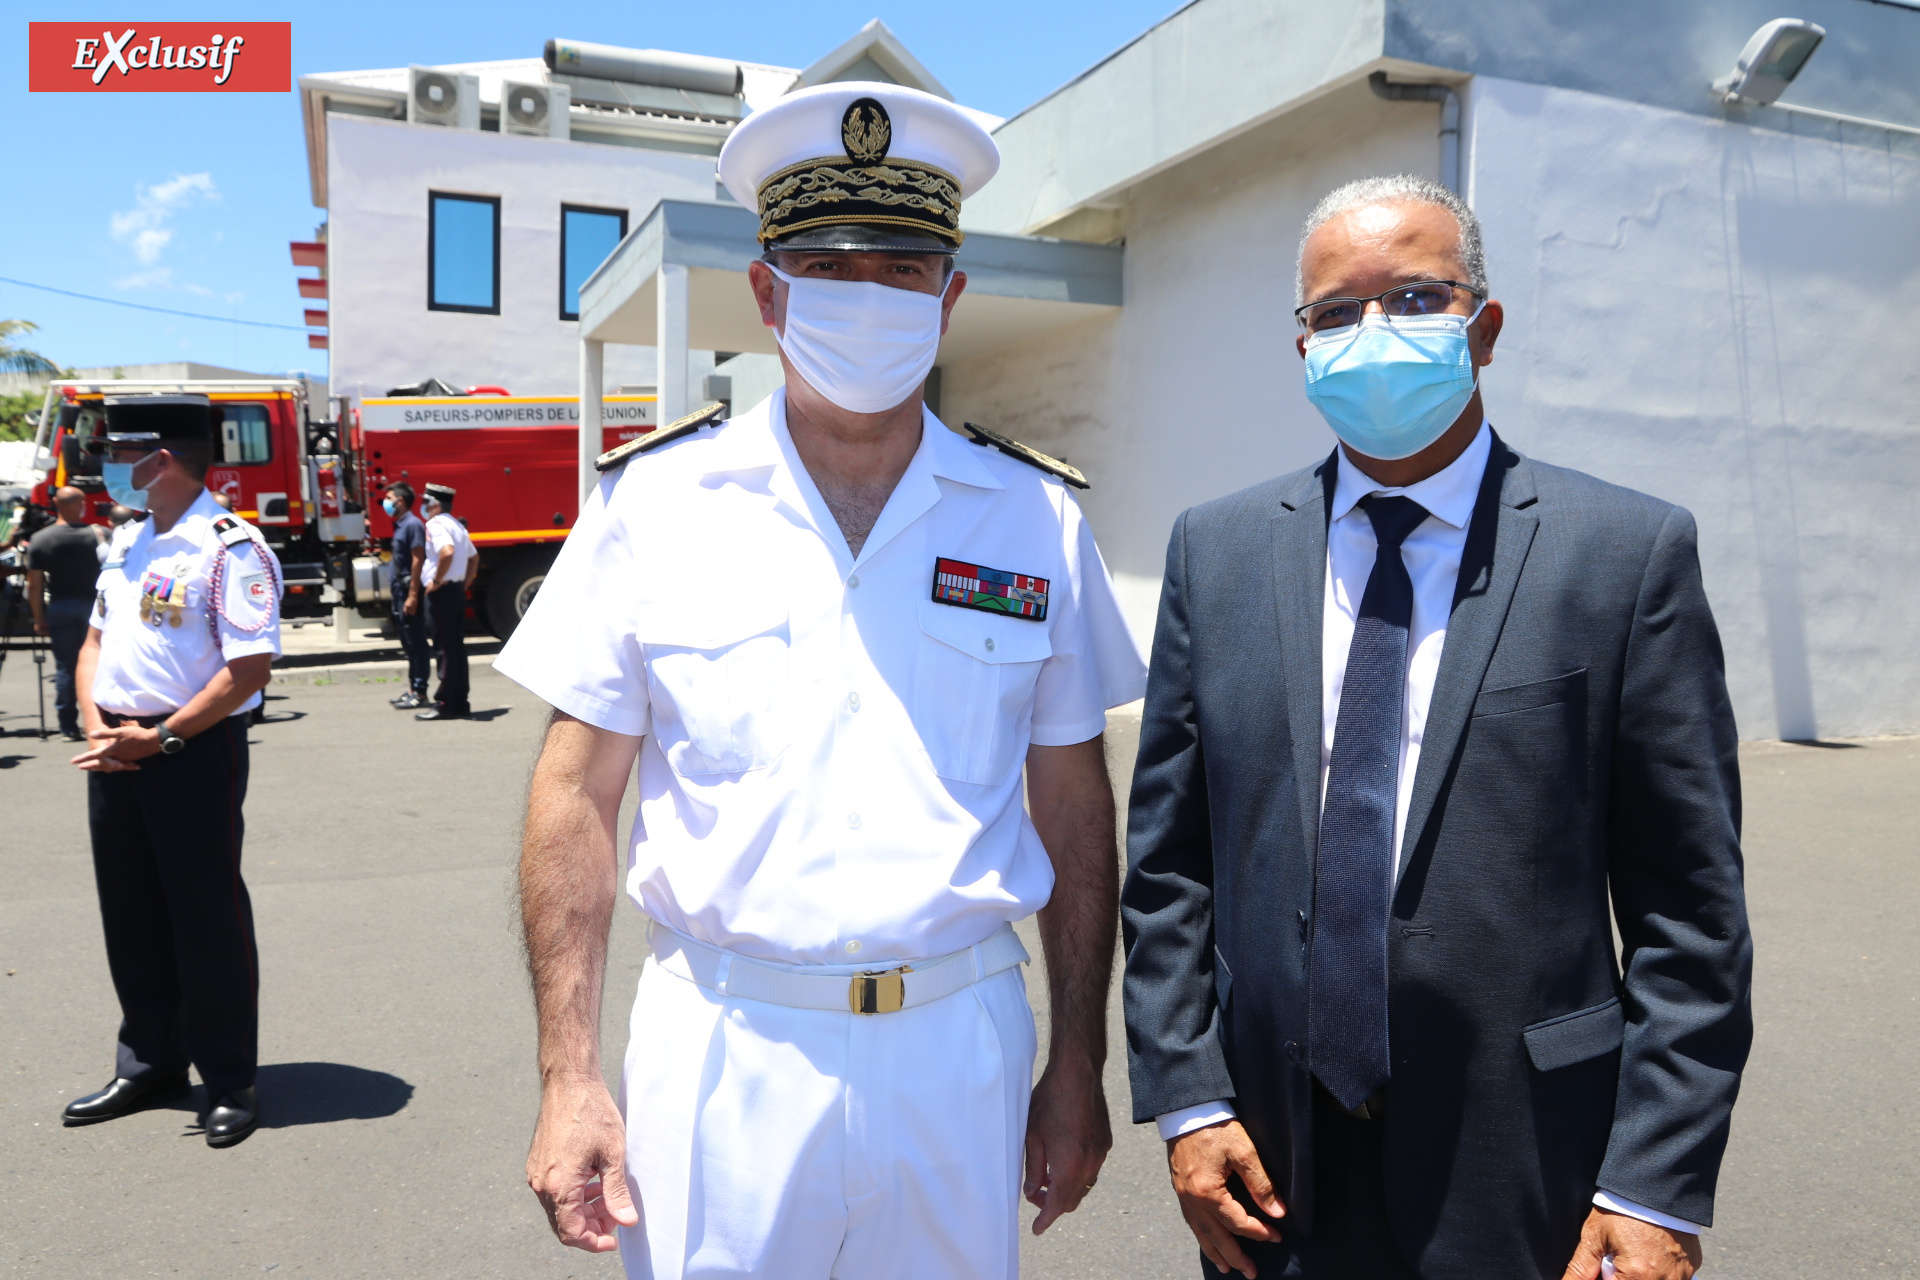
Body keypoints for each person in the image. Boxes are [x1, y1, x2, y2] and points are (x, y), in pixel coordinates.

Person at [498, 82, 1147, 1280]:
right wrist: (570, 1072)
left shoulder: (1033, 522)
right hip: (724, 1044)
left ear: (950, 298)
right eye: (828, 264)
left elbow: (1072, 804)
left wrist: (1077, 1059)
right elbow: (574, 795)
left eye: (902, 269)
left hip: (960, 1048)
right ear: (766, 291)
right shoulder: (655, 507)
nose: (868, 295)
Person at [1122, 175, 1752, 1280]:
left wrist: (1650, 1181)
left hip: (1529, 1164)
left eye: (1415, 298)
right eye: (1334, 312)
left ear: (1485, 328)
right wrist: (1188, 1098)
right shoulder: (1214, 553)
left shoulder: (1624, 554)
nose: (1372, 333)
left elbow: (1689, 912)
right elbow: (1170, 867)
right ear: (1304, 345)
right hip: (1268, 1161)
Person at [61, 393, 282, 1149]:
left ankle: (229, 1078)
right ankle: (151, 1061)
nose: (109, 467)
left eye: (120, 454)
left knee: (204, 916)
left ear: (161, 460)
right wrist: (97, 721)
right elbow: (94, 643)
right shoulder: (127, 542)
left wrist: (161, 737)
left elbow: (249, 669)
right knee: (132, 913)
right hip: (113, 750)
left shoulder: (230, 547)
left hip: (188, 751)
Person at [27, 486, 108, 739]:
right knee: (99, 665)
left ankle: (68, 725)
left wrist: (39, 617)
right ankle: (99, 721)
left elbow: (35, 584)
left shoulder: (41, 539)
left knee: (65, 667)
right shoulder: (99, 534)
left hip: (60, 606)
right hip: (95, 609)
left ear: (55, 504)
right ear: (82, 504)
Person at [414, 482, 475, 721]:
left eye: (425, 502)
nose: (423, 507)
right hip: (455, 591)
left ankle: (445, 702)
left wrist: (437, 581)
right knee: (457, 648)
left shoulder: (436, 524)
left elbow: (446, 552)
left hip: (442, 593)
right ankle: (460, 701)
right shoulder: (457, 524)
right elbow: (473, 558)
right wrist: (462, 584)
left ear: (434, 504)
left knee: (444, 649)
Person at [381, 481, 431, 710]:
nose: (386, 502)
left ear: (400, 501)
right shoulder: (401, 524)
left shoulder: (413, 525)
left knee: (416, 642)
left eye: (389, 498)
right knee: (407, 644)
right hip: (399, 592)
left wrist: (412, 595)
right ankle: (412, 688)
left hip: (407, 593)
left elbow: (417, 559)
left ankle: (420, 692)